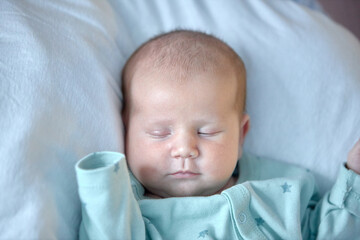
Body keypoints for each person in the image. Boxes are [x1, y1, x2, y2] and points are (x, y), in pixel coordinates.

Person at [75, 30, 360, 239]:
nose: (185, 149)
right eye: (160, 133)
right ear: (126, 132)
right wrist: (101, 191)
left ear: (240, 135)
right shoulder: (131, 216)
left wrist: (355, 178)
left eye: (206, 131)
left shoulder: (284, 189)